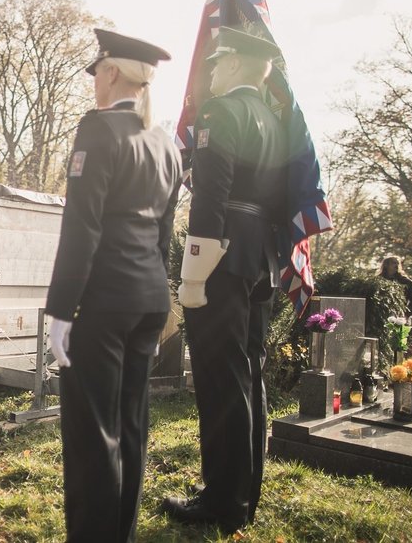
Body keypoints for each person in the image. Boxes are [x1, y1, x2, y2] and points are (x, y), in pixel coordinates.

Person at [45, 28, 180, 542]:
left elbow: (83, 226)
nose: (93, 83)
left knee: (92, 433)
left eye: (97, 72)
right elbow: (165, 232)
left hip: (104, 301)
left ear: (113, 73)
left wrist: (61, 310)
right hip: (147, 299)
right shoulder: (164, 142)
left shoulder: (99, 132)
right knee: (129, 426)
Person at [162, 27, 288, 533]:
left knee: (219, 380)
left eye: (218, 63)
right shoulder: (275, 121)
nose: (210, 71)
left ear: (236, 65)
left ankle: (222, 502)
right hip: (260, 257)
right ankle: (240, 492)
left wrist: (194, 272)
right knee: (248, 376)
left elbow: (211, 196)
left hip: (223, 256)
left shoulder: (222, 112)